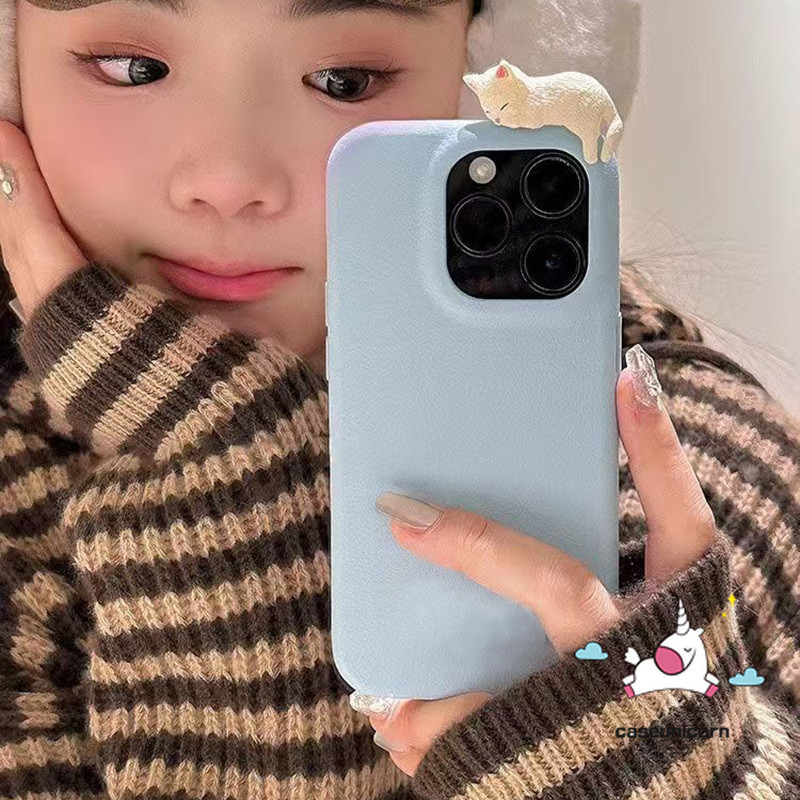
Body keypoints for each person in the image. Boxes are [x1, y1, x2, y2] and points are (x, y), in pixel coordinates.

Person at [0, 1, 798, 799]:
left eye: (343, 80)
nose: (228, 181)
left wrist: (660, 769)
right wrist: (225, 458)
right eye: (133, 69)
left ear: (482, 76)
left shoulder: (703, 485)